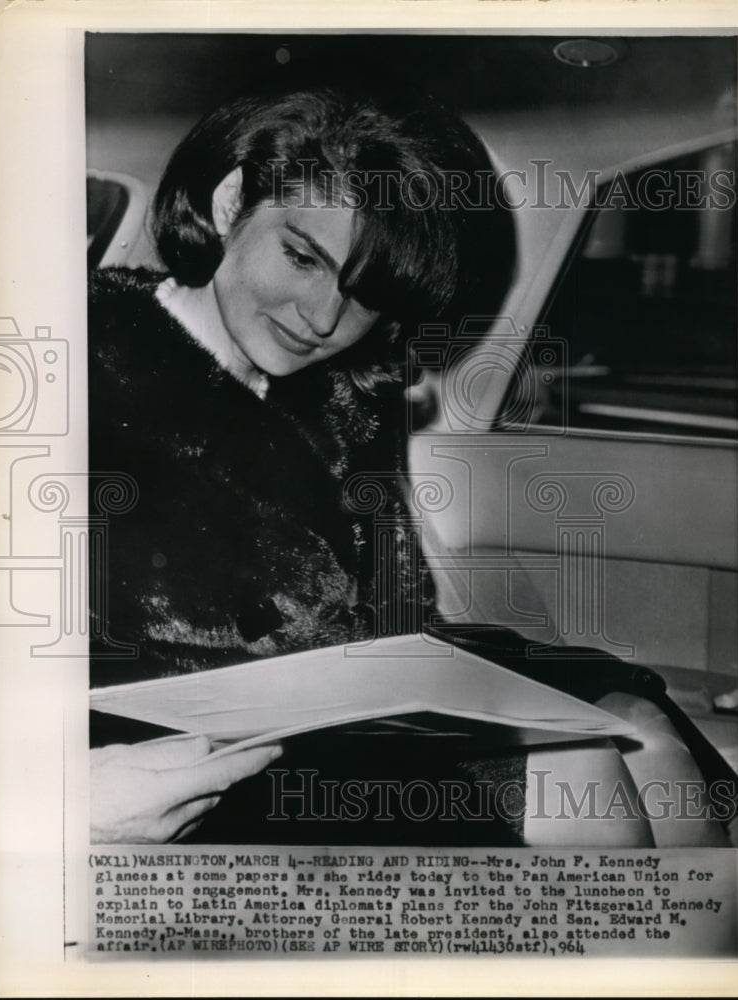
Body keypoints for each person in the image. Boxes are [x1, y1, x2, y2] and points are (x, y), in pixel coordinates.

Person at [88, 83, 515, 843]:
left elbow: (397, 614)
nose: (322, 322)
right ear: (228, 205)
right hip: (169, 771)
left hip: (345, 741)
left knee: (627, 738)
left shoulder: (347, 402)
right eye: (300, 256)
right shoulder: (79, 362)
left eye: (365, 296)